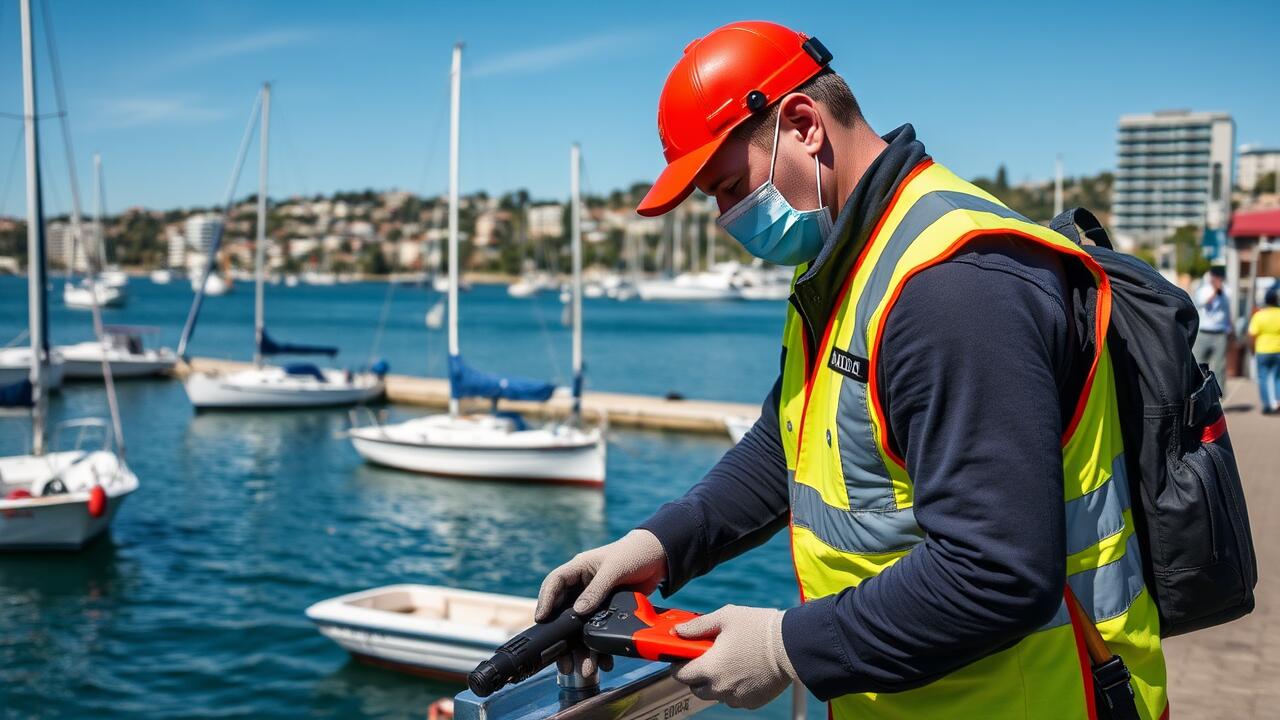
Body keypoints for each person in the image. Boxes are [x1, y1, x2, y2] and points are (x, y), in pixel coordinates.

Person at [536, 21, 1167, 718]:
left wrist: (787, 649)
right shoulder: (849, 259)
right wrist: (656, 545)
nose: (724, 218)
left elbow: (998, 571)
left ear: (803, 124)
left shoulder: (953, 284)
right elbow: (789, 445)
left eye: (727, 186)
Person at [1194, 265, 1233, 388]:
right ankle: (1198, 389)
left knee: (1220, 365)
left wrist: (1230, 328)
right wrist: (1215, 292)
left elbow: (1226, 312)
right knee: (1199, 362)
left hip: (1220, 333)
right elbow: (1204, 303)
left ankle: (1219, 395)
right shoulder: (1203, 290)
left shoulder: (1227, 291)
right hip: (1204, 332)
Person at [1248, 283, 1280, 414]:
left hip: (1262, 350)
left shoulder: (1259, 315)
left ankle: (1267, 405)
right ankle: (1278, 402)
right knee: (1278, 377)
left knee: (1263, 378)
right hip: (1278, 350)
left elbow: (1251, 335)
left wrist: (1252, 349)